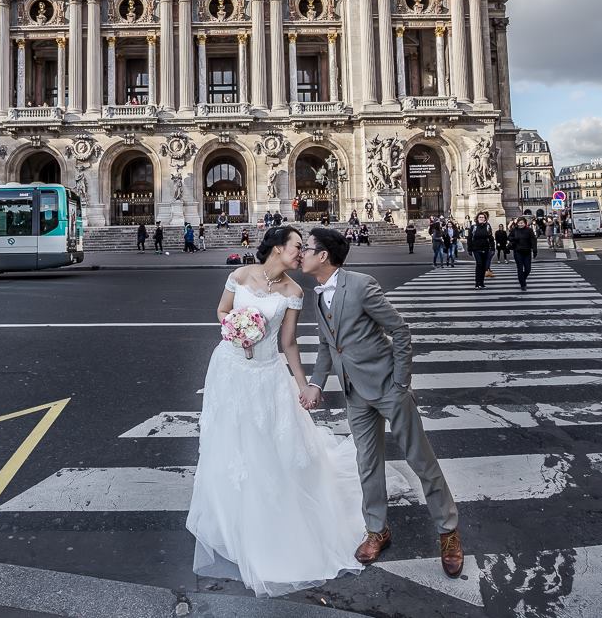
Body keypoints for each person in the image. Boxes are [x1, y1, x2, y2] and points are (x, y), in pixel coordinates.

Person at [188, 226, 365, 596]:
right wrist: (237, 329)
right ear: (278, 247)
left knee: (266, 447)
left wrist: (303, 386)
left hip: (266, 375)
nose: (302, 253)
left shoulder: (294, 292)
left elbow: (288, 343)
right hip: (229, 370)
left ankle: (266, 520)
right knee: (230, 441)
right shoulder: (239, 275)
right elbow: (222, 310)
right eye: (297, 247)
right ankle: (231, 516)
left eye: (304, 249)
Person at [299, 227, 464, 578]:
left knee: (421, 459)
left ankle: (448, 532)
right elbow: (329, 346)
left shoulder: (360, 285)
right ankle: (377, 529)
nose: (301, 254)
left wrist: (401, 382)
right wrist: (316, 382)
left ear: (323, 256)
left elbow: (400, 330)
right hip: (354, 391)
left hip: (388, 387)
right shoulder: (317, 294)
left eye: (307, 248)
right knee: (367, 464)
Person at [508, 216, 538, 292]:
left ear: (525, 223)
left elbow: (533, 240)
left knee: (528, 269)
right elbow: (509, 237)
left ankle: (522, 279)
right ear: (517, 223)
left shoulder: (529, 230)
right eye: (519, 223)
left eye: (522, 223)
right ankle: (523, 284)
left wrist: (535, 250)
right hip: (518, 251)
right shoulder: (515, 230)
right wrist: (514, 239)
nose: (520, 224)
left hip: (527, 251)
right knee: (520, 269)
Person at [467, 212, 495, 289]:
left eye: (483, 217)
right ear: (477, 218)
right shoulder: (473, 227)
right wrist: (469, 249)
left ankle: (482, 283)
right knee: (479, 264)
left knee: (483, 266)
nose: (481, 218)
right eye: (480, 217)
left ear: (485, 219)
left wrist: (492, 248)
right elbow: (469, 238)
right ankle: (477, 283)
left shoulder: (488, 226)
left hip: (485, 248)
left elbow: (491, 238)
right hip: (476, 248)